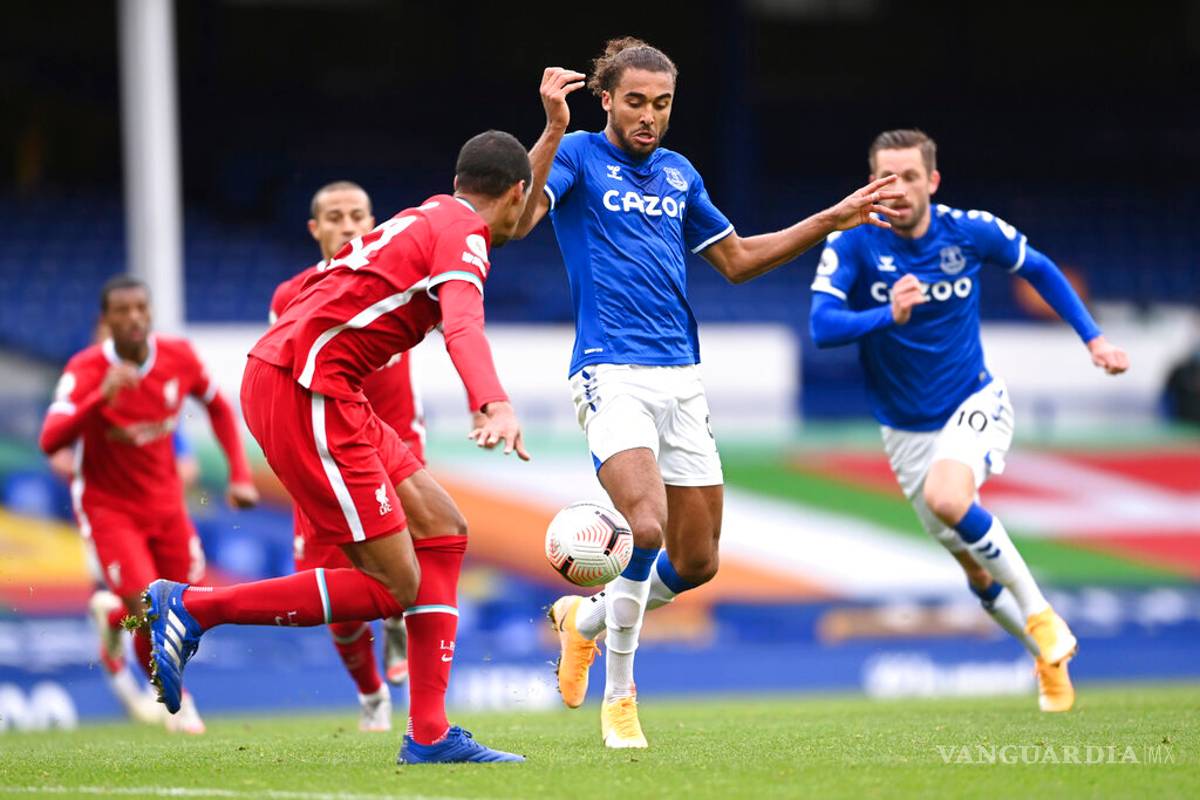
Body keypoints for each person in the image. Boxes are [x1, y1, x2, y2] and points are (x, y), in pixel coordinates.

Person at [511, 40, 903, 748]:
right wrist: (550, 128)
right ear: (606, 99)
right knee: (647, 528)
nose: (649, 116)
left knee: (696, 562)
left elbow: (738, 261)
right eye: (635, 101)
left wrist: (830, 218)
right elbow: (516, 221)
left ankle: (585, 622)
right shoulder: (575, 157)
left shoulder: (679, 173)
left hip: (682, 378)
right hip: (610, 371)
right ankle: (621, 696)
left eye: (662, 104)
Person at [142, 130, 533, 764]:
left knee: (443, 530)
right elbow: (463, 322)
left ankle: (430, 737)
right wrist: (493, 400)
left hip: (326, 390)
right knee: (393, 587)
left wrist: (549, 133)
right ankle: (192, 607)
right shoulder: (463, 238)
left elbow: (515, 215)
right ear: (515, 193)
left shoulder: (435, 212)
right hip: (306, 389)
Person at [808, 128, 1130, 712]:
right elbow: (823, 326)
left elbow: (1040, 268)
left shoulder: (970, 230)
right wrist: (887, 313)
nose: (898, 189)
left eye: (910, 177)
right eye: (886, 178)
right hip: (904, 431)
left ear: (932, 180)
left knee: (951, 498)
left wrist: (1095, 338)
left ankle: (1041, 614)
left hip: (972, 401)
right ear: (870, 183)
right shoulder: (854, 242)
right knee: (976, 573)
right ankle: (1044, 656)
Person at [38, 275, 260, 733]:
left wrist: (238, 473)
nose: (135, 317)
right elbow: (49, 439)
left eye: (141, 307)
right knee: (155, 612)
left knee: (186, 603)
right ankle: (178, 704)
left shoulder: (177, 358)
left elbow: (218, 406)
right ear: (107, 320)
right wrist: (99, 400)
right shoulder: (85, 370)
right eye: (123, 310)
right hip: (108, 509)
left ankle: (112, 618)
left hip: (166, 507)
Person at [269, 181, 426, 732]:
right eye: (335, 217)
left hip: (395, 447)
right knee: (336, 599)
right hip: (325, 453)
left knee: (419, 571)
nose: (348, 226)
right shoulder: (290, 296)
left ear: (374, 220)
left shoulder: (399, 278)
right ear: (315, 229)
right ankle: (372, 697)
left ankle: (427, 711)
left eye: (358, 215)